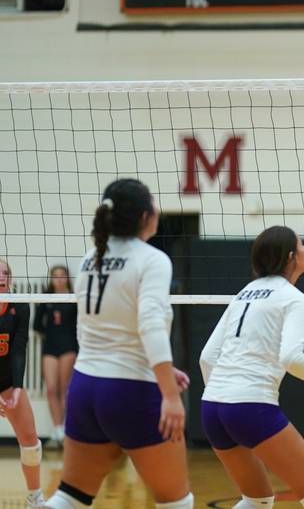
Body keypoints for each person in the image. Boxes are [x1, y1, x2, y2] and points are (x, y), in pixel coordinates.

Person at [45, 178, 193, 509]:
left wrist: (164, 371)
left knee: (70, 496)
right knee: (177, 502)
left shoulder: (89, 258)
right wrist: (169, 394)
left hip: (85, 388)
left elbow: (93, 330)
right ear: (144, 215)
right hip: (131, 391)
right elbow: (150, 325)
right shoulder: (152, 259)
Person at [199, 225, 304, 509]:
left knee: (257, 500)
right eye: (301, 245)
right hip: (250, 405)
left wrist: (226, 395)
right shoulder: (294, 298)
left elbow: (207, 357)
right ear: (290, 257)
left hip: (212, 407)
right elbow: (291, 358)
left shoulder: (245, 292)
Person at [0, 259, 47, 508]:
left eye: (5, 272)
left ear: (11, 278)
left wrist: (17, 388)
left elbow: (19, 349)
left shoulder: (19, 305)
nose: (1, 277)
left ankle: (35, 497)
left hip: (7, 381)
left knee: (30, 442)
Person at [34, 265, 78, 449]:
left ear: (67, 278)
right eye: (55, 276)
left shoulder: (74, 297)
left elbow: (81, 324)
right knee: (51, 389)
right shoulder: (46, 297)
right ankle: (57, 430)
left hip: (68, 346)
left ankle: (68, 431)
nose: (59, 279)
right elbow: (37, 324)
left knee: (64, 389)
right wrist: (51, 334)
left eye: (62, 276)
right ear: (51, 279)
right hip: (50, 346)